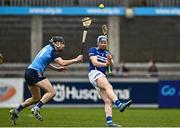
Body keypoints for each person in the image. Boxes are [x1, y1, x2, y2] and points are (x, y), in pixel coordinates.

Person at [9, 36, 83, 125]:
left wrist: (56, 69)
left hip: (29, 72)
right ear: (58, 43)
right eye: (63, 43)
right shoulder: (52, 52)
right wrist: (77, 59)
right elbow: (63, 63)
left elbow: (45, 62)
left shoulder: (47, 47)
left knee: (36, 98)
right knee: (52, 92)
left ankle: (16, 111)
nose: (64, 46)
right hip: (35, 72)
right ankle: (36, 108)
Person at [88, 35, 132, 127]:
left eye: (105, 42)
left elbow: (110, 70)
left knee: (108, 101)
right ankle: (119, 104)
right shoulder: (93, 50)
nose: (103, 44)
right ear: (98, 43)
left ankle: (109, 122)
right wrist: (105, 63)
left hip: (102, 76)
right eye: (101, 42)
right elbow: (95, 63)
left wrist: (110, 60)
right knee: (109, 87)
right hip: (94, 73)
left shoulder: (107, 53)